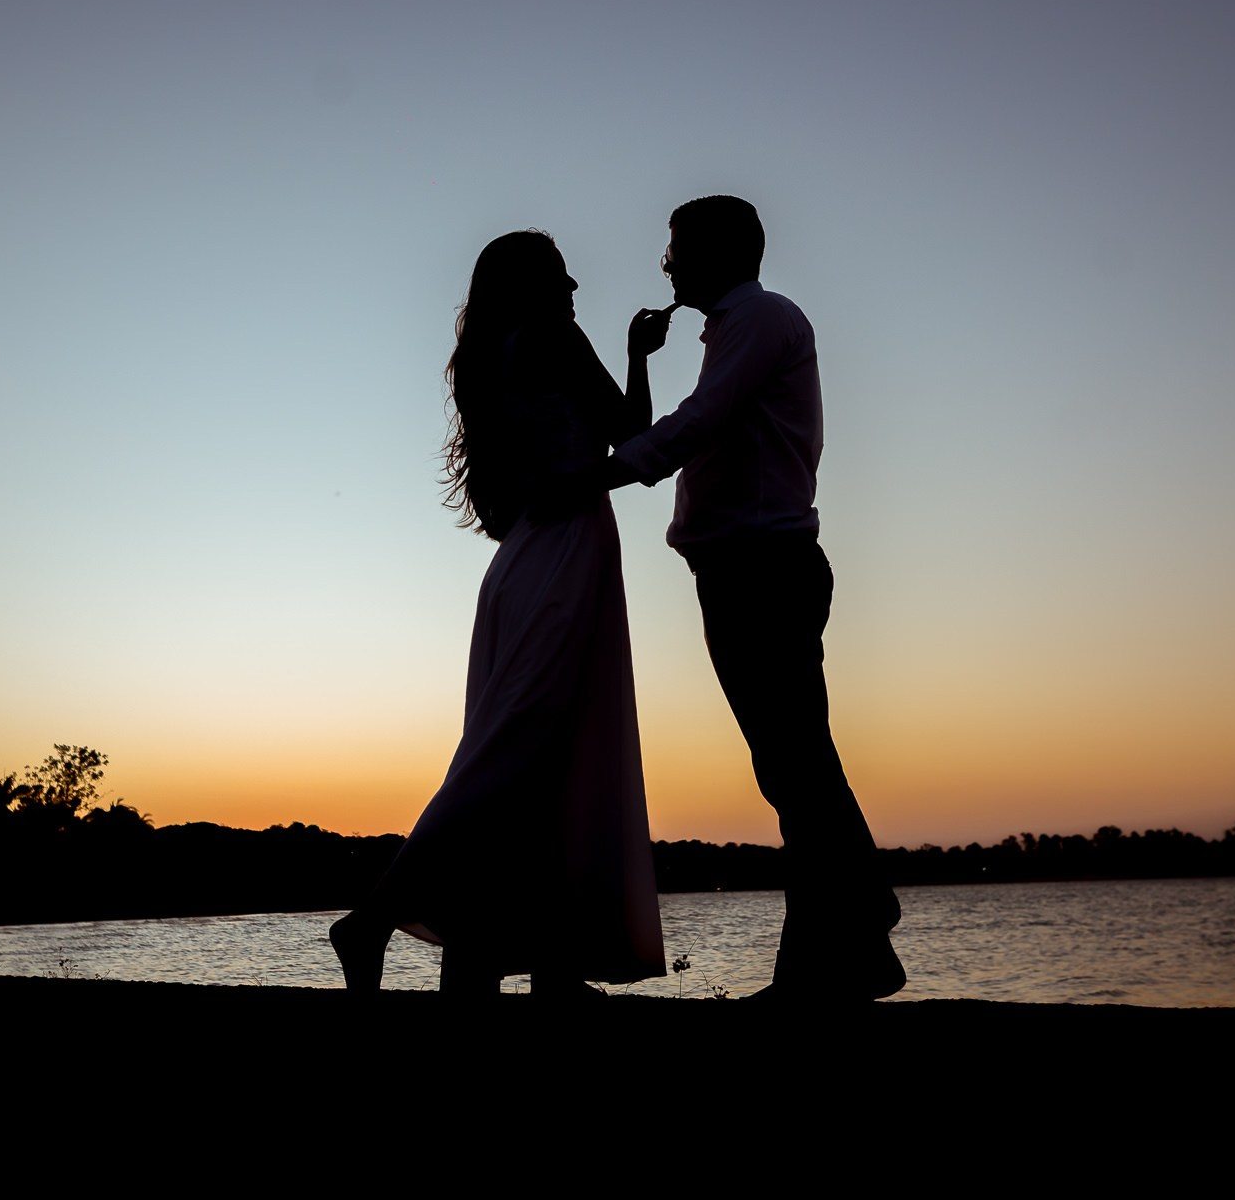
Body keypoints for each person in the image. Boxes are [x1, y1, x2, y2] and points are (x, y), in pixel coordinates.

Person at [330, 230, 669, 995]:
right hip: (563, 559)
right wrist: (639, 357)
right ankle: (372, 918)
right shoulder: (553, 336)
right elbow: (633, 439)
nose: (576, 286)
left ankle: (551, 958)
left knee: (542, 759)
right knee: (511, 754)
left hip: (521, 562)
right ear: (534, 287)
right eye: (561, 276)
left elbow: (500, 507)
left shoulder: (489, 364)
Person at [597, 194, 904, 1002]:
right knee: (793, 765)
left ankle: (834, 951)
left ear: (715, 252)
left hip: (762, 569)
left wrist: (600, 473)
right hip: (743, 571)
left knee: (795, 767)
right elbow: (705, 423)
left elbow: (700, 422)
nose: (666, 264)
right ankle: (858, 937)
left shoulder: (763, 320)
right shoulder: (738, 329)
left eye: (674, 249)